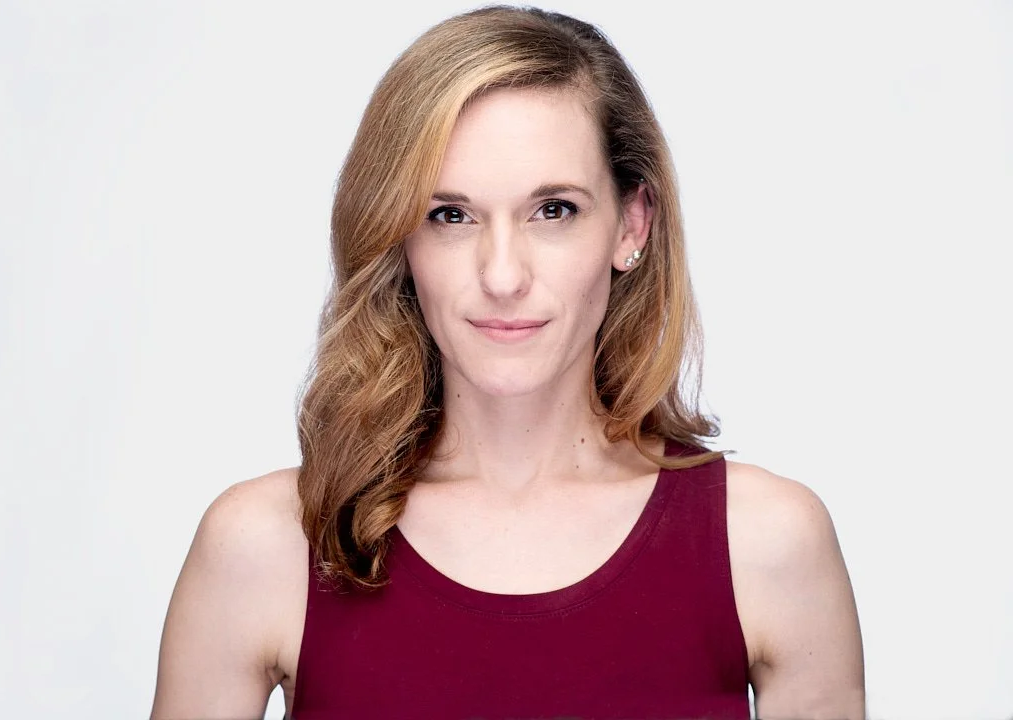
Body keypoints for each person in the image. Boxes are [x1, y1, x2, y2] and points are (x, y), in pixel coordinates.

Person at [150, 6, 865, 719]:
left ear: (631, 225)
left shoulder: (767, 546)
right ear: (399, 239)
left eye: (552, 210)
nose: (501, 275)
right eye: (450, 215)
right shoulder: (265, 547)